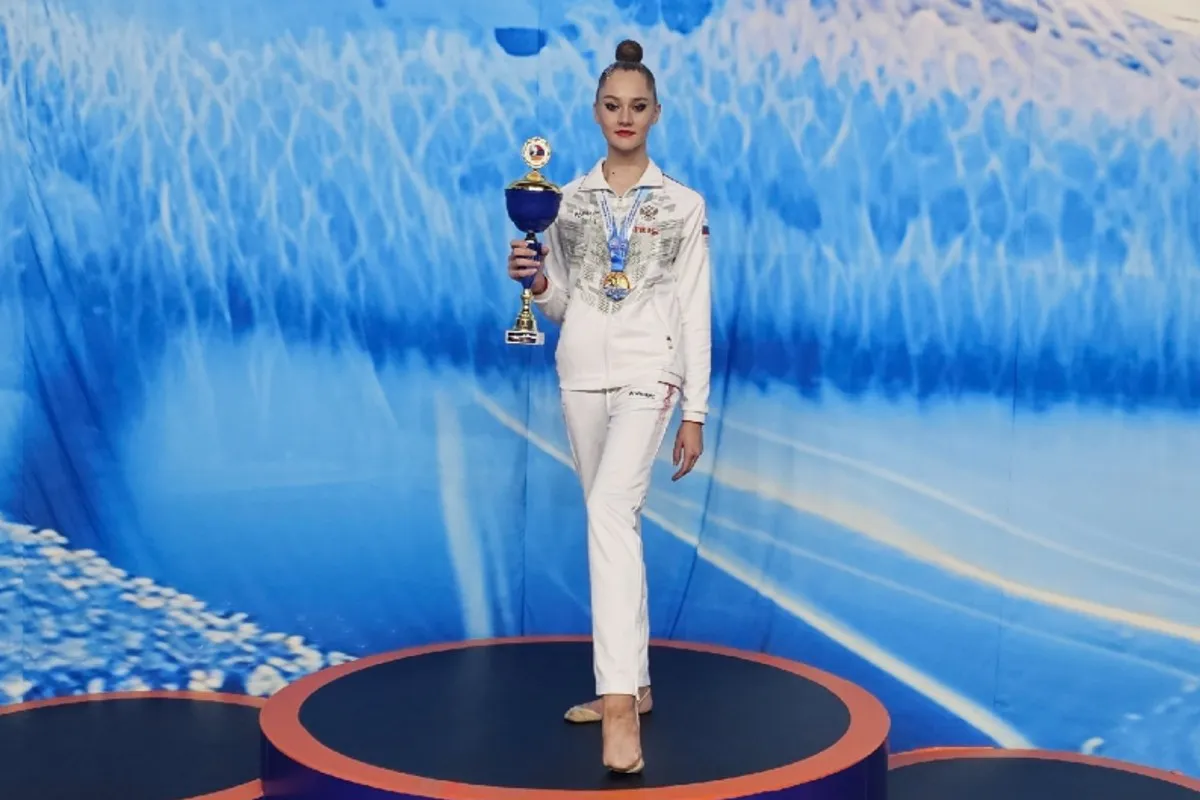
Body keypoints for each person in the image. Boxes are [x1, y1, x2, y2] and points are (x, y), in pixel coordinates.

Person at [505, 38, 712, 774]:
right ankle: (637, 681)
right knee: (613, 522)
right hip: (580, 377)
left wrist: (695, 409)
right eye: (613, 105)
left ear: (656, 113)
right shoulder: (562, 201)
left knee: (607, 513)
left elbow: (694, 309)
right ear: (597, 112)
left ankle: (618, 706)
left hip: (650, 373)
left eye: (638, 106)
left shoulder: (684, 204)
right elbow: (564, 303)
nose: (625, 117)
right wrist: (535, 284)